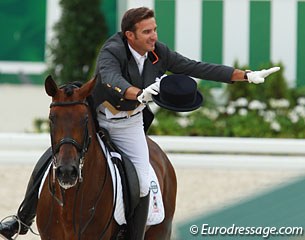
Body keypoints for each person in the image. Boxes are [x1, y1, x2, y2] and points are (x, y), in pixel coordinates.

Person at [0, 6, 280, 240]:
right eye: (147, 32)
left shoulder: (159, 53)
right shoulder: (112, 51)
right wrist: (137, 93)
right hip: (97, 119)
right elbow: (110, 78)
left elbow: (195, 67)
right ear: (129, 35)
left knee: (144, 183)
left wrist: (243, 75)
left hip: (129, 125)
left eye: (155, 30)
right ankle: (22, 219)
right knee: (53, 158)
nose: (153, 36)